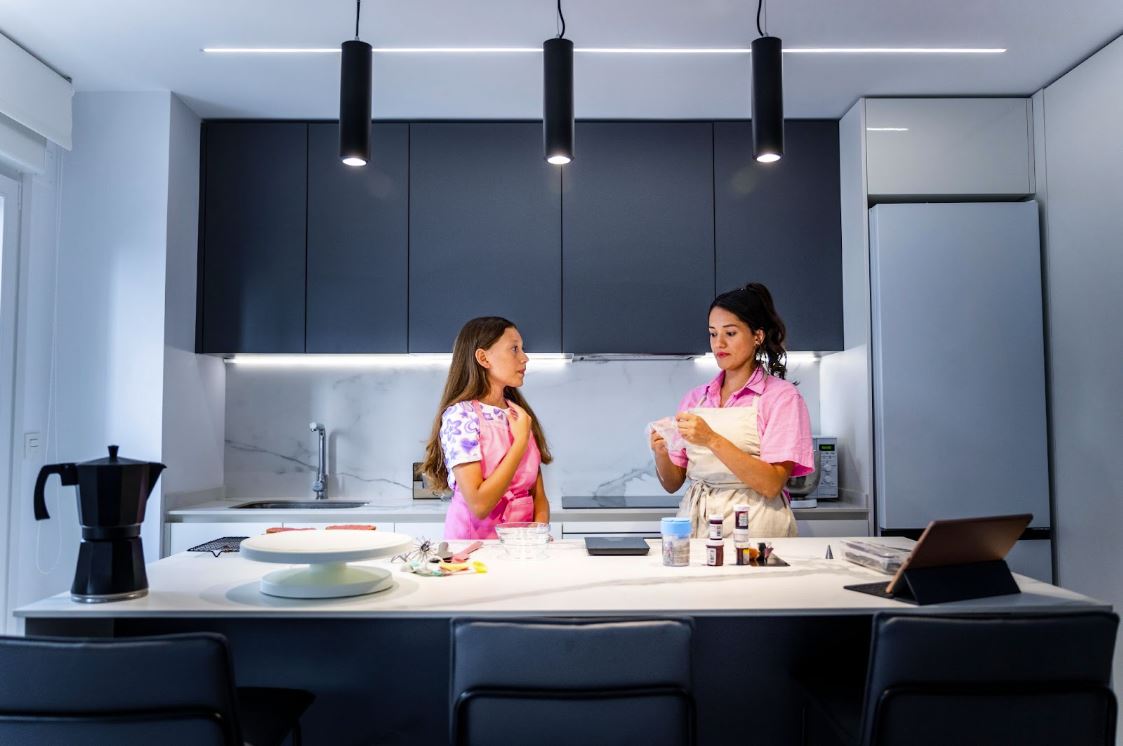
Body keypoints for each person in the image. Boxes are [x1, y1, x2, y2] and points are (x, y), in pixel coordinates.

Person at [650, 283, 813, 538]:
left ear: (757, 336)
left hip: (756, 527)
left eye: (730, 333)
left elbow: (771, 484)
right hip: (699, 527)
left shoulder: (781, 397)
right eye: (713, 334)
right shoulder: (696, 399)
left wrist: (711, 439)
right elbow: (673, 483)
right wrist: (660, 452)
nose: (719, 343)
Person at [423, 317, 552, 539]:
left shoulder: (518, 414)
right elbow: (480, 504)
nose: (525, 358)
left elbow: (537, 494)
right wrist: (520, 442)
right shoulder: (460, 416)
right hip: (475, 550)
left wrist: (538, 531)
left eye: (522, 349)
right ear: (483, 358)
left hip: (521, 547)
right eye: (514, 349)